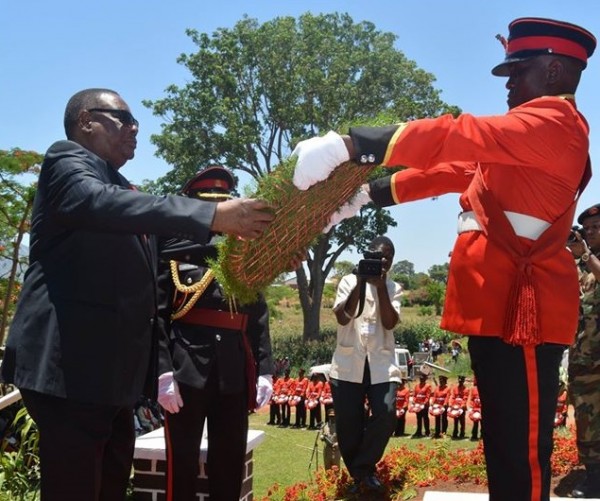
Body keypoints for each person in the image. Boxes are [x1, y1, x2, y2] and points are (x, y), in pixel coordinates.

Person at [292, 17, 596, 501]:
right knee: (502, 441)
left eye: (518, 70)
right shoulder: (527, 137)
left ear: (555, 72)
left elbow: (461, 135)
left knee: (521, 450)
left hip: (525, 314)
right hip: (499, 309)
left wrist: (352, 144)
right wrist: (366, 196)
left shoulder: (555, 122)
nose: (509, 82)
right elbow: (455, 169)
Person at [0, 88, 275, 501]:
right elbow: (99, 204)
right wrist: (212, 215)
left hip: (109, 381)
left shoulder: (122, 187)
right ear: (86, 122)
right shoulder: (68, 163)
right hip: (70, 370)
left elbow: (172, 251)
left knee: (109, 488)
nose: (134, 127)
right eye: (123, 118)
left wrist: (271, 244)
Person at [155, 166, 275, 501]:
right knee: (182, 462)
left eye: (225, 204)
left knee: (229, 461)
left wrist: (265, 369)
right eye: (213, 207)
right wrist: (163, 370)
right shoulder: (172, 250)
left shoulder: (245, 258)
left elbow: (257, 315)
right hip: (186, 369)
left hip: (233, 371)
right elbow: (159, 315)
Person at [329, 235, 402, 494]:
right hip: (349, 363)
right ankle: (363, 476)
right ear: (367, 254)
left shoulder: (393, 287)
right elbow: (342, 317)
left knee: (386, 414)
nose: (383, 261)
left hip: (382, 364)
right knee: (348, 424)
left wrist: (380, 286)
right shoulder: (348, 281)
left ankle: (361, 470)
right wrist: (360, 281)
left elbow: (390, 322)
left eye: (388, 258)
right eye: (379, 256)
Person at [567, 203, 600, 498]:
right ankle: (593, 478)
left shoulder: (589, 261)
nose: (590, 233)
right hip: (583, 358)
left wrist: (587, 256)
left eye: (596, 227)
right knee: (587, 421)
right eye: (586, 229)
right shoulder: (577, 265)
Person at [410, 372, 432, 438]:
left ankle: (427, 432)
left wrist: (424, 403)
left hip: (424, 405)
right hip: (417, 405)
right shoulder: (417, 386)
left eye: (423, 378)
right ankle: (418, 431)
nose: (421, 379)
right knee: (418, 418)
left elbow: (428, 396)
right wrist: (413, 401)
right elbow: (414, 395)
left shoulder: (428, 386)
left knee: (425, 418)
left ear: (425, 379)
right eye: (420, 378)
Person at [430, 374, 450, 439]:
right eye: (440, 381)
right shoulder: (437, 388)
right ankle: (437, 432)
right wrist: (432, 403)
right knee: (437, 419)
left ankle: (444, 432)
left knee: (444, 419)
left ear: (445, 381)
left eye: (442, 381)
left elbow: (447, 397)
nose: (440, 382)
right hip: (437, 406)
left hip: (444, 406)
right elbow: (434, 396)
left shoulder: (447, 388)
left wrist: (445, 404)